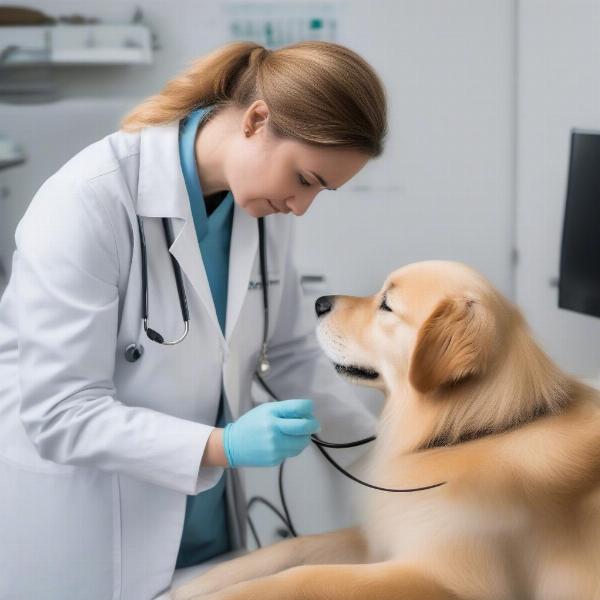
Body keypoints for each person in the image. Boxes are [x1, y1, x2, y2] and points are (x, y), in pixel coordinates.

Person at [0, 40, 388, 599]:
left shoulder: (260, 208)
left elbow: (294, 355)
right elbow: (60, 413)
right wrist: (220, 448)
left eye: (321, 191)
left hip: (205, 525)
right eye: (305, 179)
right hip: (90, 532)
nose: (302, 206)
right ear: (258, 120)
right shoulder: (88, 200)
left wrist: (384, 457)